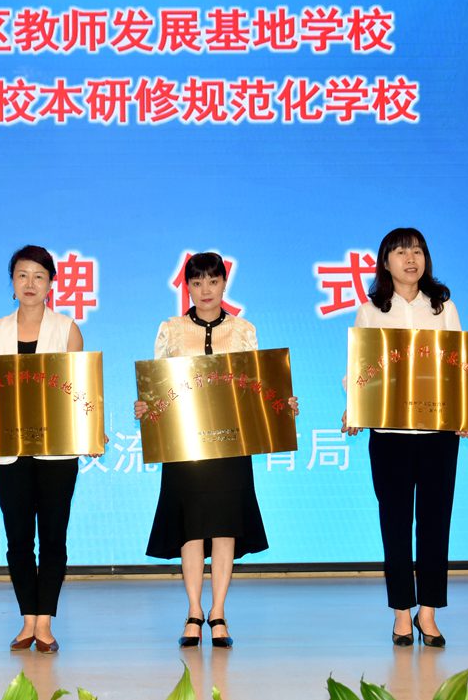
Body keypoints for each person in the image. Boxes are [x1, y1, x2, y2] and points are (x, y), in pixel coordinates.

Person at [134, 252, 298, 649]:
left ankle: (219, 612)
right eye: (197, 282)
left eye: (213, 281)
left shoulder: (243, 330)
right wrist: (144, 406)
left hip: (231, 444)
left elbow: (257, 387)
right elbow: (158, 387)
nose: (205, 290)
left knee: (225, 528)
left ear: (225, 284)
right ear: (187, 287)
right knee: (190, 530)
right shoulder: (171, 330)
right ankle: (193, 611)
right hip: (185, 448)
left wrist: (282, 404)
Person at [342, 228, 468, 648]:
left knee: (435, 523)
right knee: (395, 524)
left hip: (438, 434)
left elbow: (461, 363)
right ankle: (402, 612)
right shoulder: (371, 311)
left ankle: (428, 613)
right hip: (389, 437)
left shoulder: (443, 307)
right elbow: (359, 369)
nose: (411, 259)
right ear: (385, 263)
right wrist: (355, 407)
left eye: (417, 251)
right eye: (400, 252)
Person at [0, 245, 84, 654]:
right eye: (22, 275)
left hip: (56, 450)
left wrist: (90, 431)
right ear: (12, 282)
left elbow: (77, 390)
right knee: (18, 538)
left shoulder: (67, 328)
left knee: (53, 536)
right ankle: (27, 619)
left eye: (39, 276)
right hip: (10, 451)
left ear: (51, 284)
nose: (30, 283)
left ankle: (45, 622)